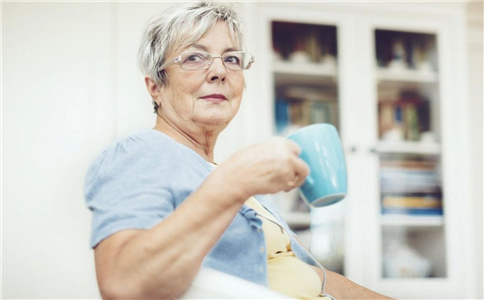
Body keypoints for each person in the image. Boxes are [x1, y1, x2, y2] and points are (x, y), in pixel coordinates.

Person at [84, 2, 394, 299]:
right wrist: (234, 182)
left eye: (231, 59)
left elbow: (306, 274)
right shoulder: (139, 152)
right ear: (156, 87)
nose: (219, 71)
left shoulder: (232, 182)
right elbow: (122, 283)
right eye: (194, 57)